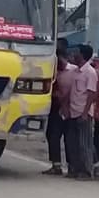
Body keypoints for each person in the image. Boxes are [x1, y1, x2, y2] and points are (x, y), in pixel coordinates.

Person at [64, 44, 98, 179]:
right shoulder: (76, 71)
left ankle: (87, 171)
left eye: (77, 53)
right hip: (73, 111)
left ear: (82, 55)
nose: (74, 55)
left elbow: (91, 94)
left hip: (83, 112)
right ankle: (75, 168)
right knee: (73, 142)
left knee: (85, 143)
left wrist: (85, 112)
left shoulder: (90, 72)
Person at [43, 38, 73, 176]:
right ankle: (56, 164)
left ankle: (70, 165)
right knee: (51, 135)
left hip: (65, 107)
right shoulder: (53, 70)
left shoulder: (71, 70)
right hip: (53, 107)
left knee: (65, 137)